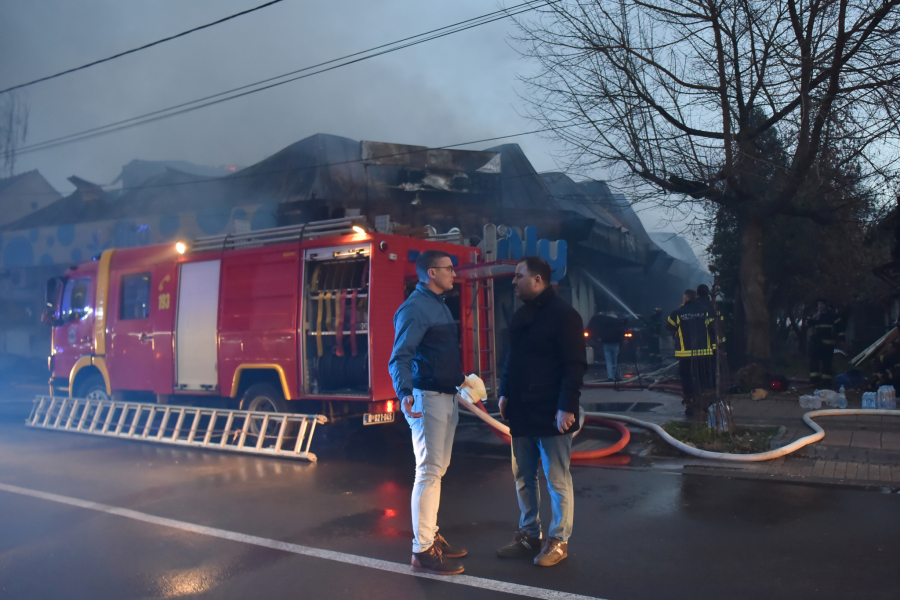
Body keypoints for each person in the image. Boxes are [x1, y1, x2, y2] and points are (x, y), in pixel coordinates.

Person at [496, 256, 586, 567]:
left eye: (519, 275)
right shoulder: (521, 316)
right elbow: (512, 359)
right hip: (521, 412)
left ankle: (558, 540)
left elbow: (574, 364)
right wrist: (504, 392)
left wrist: (567, 406)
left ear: (538, 280)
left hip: (551, 412)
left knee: (556, 479)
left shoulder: (565, 316)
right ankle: (528, 534)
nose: (513, 281)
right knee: (523, 476)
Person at [388, 249, 470, 576]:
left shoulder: (436, 304)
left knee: (437, 469)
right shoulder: (415, 308)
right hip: (428, 397)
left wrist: (463, 381)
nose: (454, 273)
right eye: (449, 269)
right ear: (431, 274)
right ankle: (422, 550)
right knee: (429, 471)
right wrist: (405, 394)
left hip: (446, 395)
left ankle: (430, 536)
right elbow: (400, 357)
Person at [667, 289, 715, 416]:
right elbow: (713, 327)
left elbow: (669, 326)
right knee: (704, 377)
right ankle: (707, 404)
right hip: (704, 353)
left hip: (686, 355)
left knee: (687, 379)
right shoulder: (706, 311)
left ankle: (691, 406)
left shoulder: (678, 312)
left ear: (685, 299)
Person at [804, 299, 844, 387]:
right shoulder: (813, 315)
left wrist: (841, 340)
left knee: (827, 364)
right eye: (818, 304)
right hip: (815, 344)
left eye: (822, 304)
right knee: (814, 363)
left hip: (828, 345)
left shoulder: (833, 316)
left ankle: (826, 382)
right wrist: (813, 319)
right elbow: (806, 324)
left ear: (826, 305)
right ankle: (814, 382)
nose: (820, 306)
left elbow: (840, 328)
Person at [587, 311, 626, 381]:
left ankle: (610, 377)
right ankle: (618, 376)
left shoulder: (604, 322)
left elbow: (599, 331)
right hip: (616, 343)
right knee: (617, 360)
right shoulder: (617, 322)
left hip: (606, 343)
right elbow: (622, 332)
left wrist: (601, 339)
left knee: (608, 361)